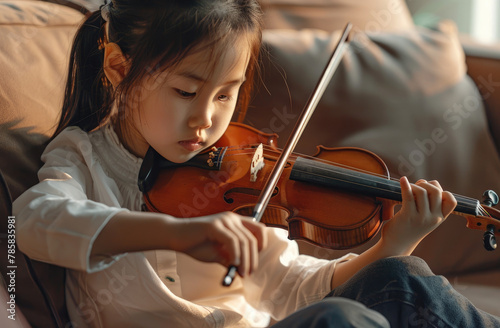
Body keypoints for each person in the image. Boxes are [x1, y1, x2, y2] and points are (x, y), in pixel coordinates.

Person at [12, 1, 500, 327]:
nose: (205, 119)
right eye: (185, 92)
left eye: (226, 94)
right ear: (119, 68)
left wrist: (396, 242)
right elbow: (34, 222)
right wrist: (176, 234)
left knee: (402, 279)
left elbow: (295, 288)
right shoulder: (84, 157)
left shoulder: (238, 174)